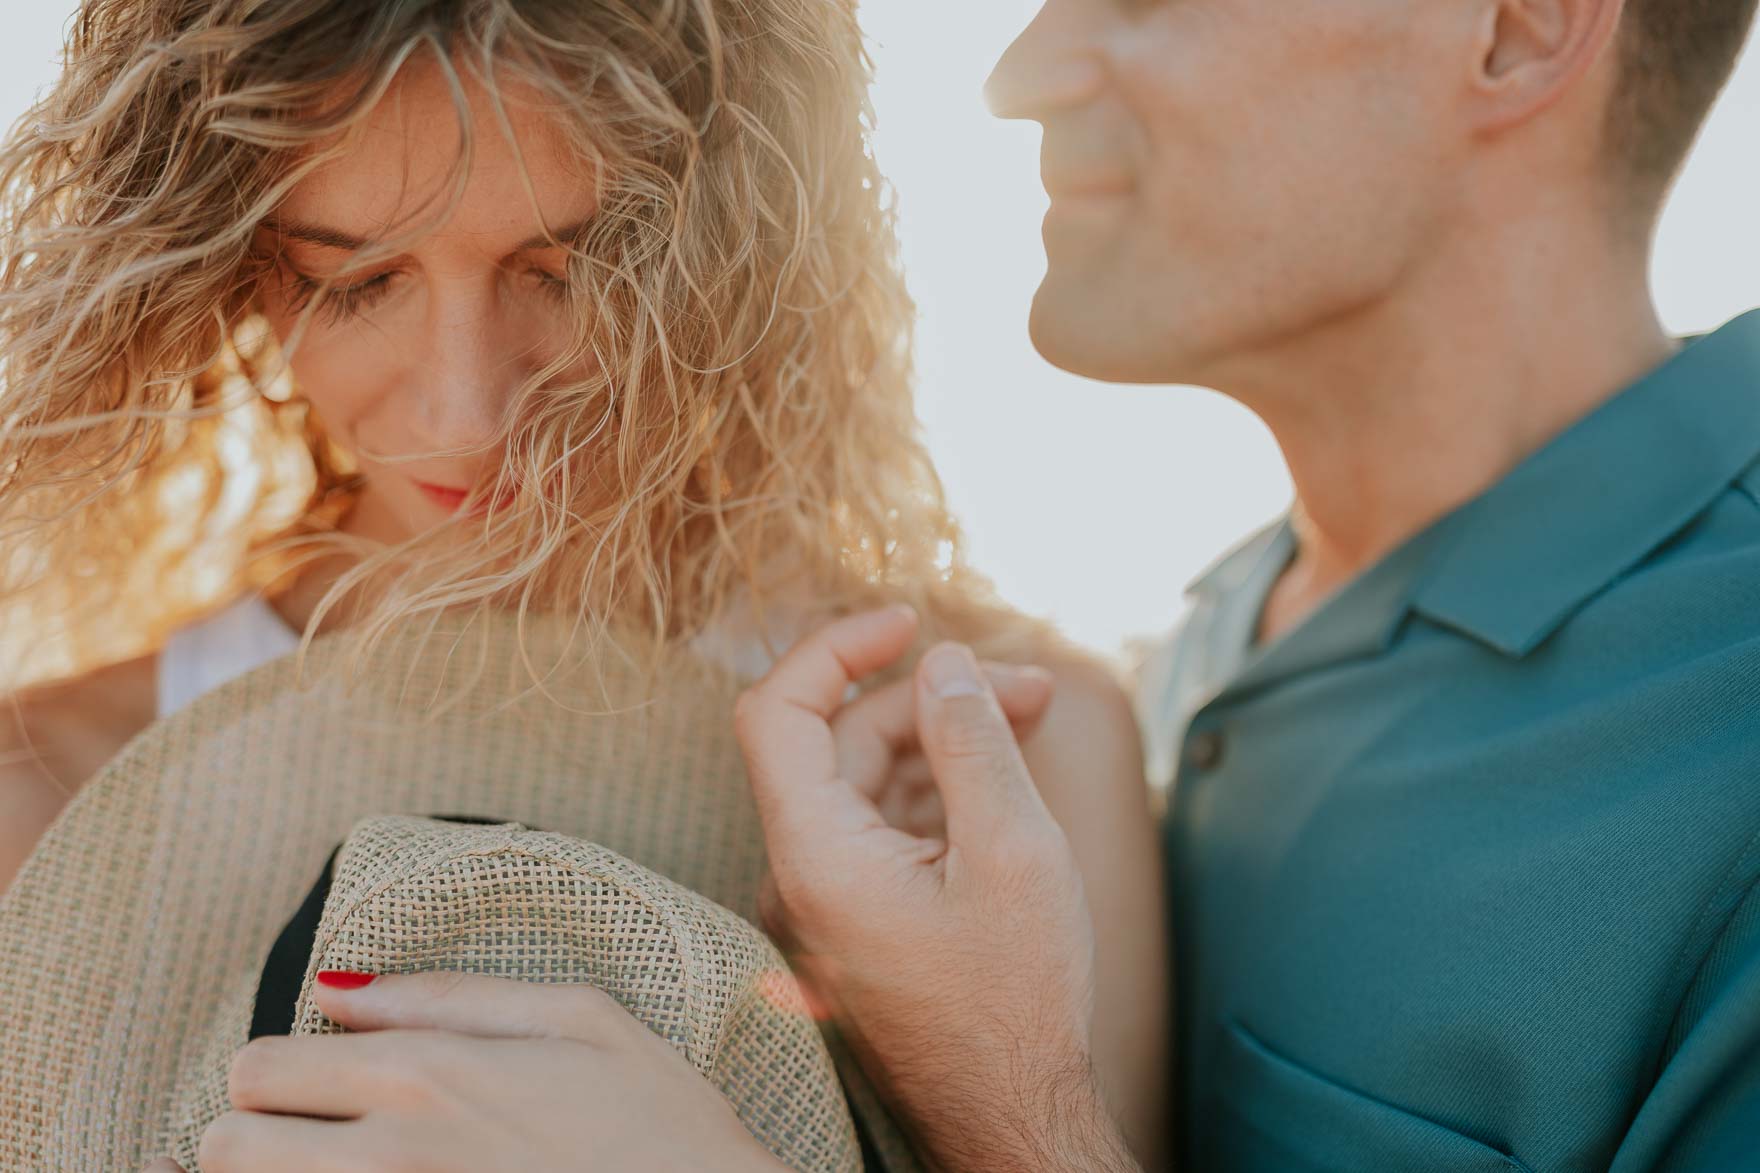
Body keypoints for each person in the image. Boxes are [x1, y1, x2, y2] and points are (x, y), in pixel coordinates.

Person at [242, 0, 1760, 1168]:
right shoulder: (1191, 657)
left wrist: (1006, 1101)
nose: (1017, 70)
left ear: (1510, 28)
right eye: (350, 274)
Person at [0, 0, 1171, 1167]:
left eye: (571, 269)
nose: (465, 414)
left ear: (743, 257)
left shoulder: (1000, 769)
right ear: (233, 272)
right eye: (352, 282)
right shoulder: (50, 791)